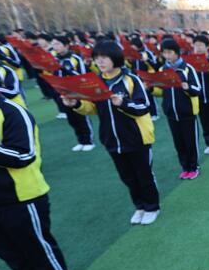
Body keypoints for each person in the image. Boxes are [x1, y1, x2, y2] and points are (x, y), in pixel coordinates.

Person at [0, 52, 72, 270]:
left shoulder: (10, 111)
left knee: (36, 245)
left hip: (20, 196)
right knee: (8, 251)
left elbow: (24, 156)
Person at [62, 40, 160, 225]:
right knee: (127, 177)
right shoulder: (95, 82)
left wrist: (122, 103)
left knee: (144, 175)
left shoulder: (131, 79)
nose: (100, 62)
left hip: (137, 137)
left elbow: (144, 106)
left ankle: (152, 207)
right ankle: (139, 206)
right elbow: (92, 108)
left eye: (104, 57)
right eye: (97, 58)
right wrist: (75, 104)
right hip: (111, 139)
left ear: (115, 58)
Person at [153, 38, 202, 179]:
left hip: (187, 113)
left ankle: (194, 167)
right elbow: (161, 91)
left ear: (177, 52)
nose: (167, 56)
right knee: (179, 143)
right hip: (171, 113)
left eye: (170, 52)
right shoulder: (162, 69)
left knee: (190, 142)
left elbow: (197, 89)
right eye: (164, 53)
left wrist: (188, 87)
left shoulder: (187, 69)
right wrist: (151, 89)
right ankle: (185, 167)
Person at [50, 35, 96, 152]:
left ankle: (88, 141)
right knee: (71, 118)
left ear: (66, 45)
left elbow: (82, 75)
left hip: (77, 91)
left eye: (58, 44)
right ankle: (80, 141)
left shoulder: (75, 58)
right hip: (63, 92)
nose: (55, 47)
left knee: (81, 116)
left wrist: (67, 71)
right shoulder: (55, 58)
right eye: (54, 44)